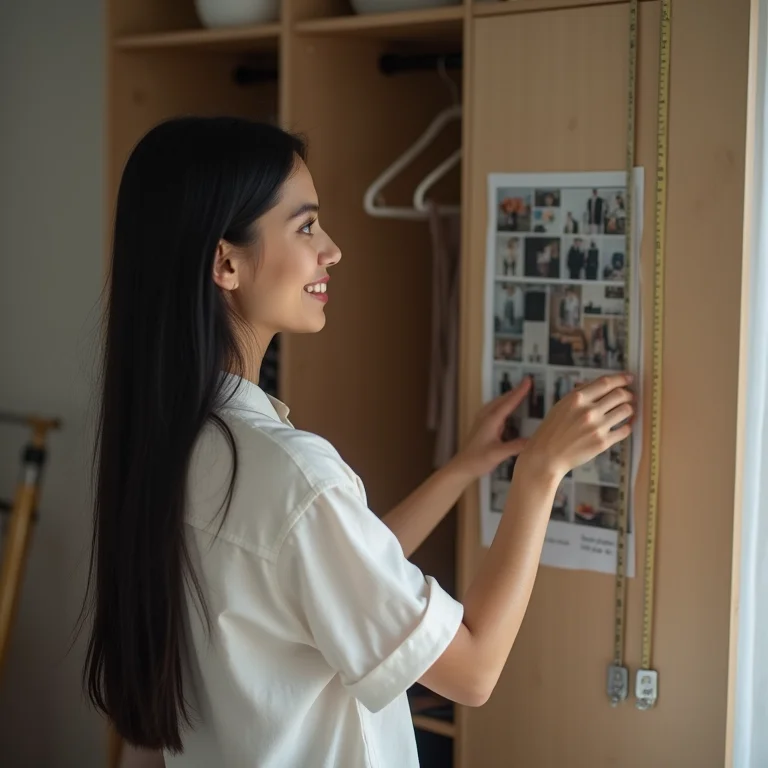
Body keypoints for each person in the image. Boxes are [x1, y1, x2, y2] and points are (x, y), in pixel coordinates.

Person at [78, 116, 634, 768]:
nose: (332, 250)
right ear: (225, 262)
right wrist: (541, 474)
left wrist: (462, 469)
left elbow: (326, 574)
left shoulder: (174, 448)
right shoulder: (288, 474)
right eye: (306, 226)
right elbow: (474, 669)